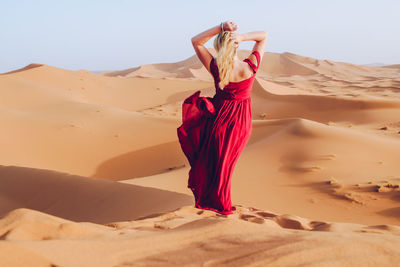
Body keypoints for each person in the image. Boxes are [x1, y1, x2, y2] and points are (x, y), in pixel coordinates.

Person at [177, 21, 267, 215]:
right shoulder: (250, 66)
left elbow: (196, 42)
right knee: (226, 167)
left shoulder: (217, 68)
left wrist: (220, 27)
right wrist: (242, 37)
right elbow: (263, 36)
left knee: (213, 166)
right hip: (241, 124)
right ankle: (218, 204)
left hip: (218, 121)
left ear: (218, 46)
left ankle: (217, 205)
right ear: (236, 45)